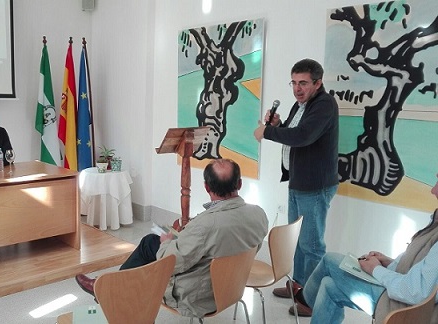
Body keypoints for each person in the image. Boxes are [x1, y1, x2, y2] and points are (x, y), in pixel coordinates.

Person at [75, 159, 269, 318]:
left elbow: (169, 262)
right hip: (231, 287)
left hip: (197, 295)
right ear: (240, 184)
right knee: (154, 243)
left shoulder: (205, 226)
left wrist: (168, 239)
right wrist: (188, 232)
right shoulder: (258, 214)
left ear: (206, 186)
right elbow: (224, 239)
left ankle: (110, 290)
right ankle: (113, 288)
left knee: (150, 243)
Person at [253, 58, 339, 316]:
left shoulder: (323, 104)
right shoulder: (302, 104)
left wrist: (266, 132)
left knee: (311, 245)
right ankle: (299, 286)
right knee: (299, 241)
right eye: (294, 82)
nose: (297, 88)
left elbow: (303, 136)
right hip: (298, 182)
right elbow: (294, 130)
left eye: (303, 83)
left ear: (318, 83)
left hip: (314, 186)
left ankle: (311, 300)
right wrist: (278, 125)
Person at [297, 172, 438, 323]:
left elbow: (415, 291)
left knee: (329, 260)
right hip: (398, 296)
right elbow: (422, 272)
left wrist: (376, 270)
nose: (433, 190)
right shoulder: (434, 224)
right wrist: (389, 263)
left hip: (402, 310)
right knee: (328, 285)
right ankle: (305, 300)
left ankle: (304, 300)